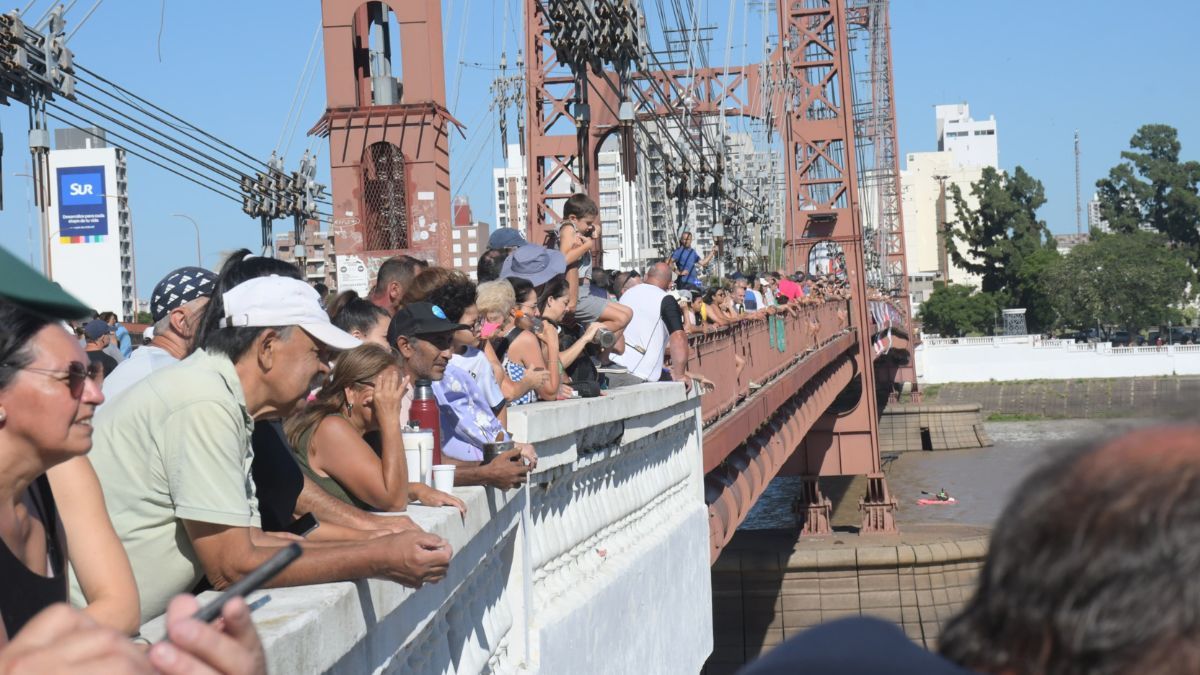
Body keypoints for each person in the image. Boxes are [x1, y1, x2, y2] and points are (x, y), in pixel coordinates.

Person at [85, 274, 452, 620]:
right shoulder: (204, 401)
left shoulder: (225, 399)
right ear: (267, 347)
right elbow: (231, 567)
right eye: (318, 353)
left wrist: (375, 541)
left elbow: (254, 541)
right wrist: (376, 558)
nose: (326, 369)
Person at [0, 248, 266, 675]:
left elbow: (122, 609)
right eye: (70, 378)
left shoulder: (65, 469)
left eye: (89, 374)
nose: (96, 395)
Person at [285, 344, 464, 512]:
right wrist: (390, 418)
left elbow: (387, 485)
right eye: (384, 389)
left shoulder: (366, 434)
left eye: (397, 390)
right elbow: (394, 501)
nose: (392, 397)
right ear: (351, 392)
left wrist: (416, 488)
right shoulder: (331, 428)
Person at [388, 302, 536, 488]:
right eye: (439, 342)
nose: (448, 354)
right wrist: (485, 473)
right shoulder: (392, 394)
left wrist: (491, 467)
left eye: (448, 342)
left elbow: (435, 460)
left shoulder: (428, 389)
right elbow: (415, 468)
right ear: (406, 346)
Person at [102, 266, 217, 404]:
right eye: (215, 312)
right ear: (181, 320)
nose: (223, 321)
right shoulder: (172, 376)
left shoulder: (142, 366)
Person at [555, 194, 633, 344]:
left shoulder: (575, 228)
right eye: (588, 223)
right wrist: (587, 246)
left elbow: (594, 227)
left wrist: (595, 229)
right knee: (622, 317)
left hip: (584, 291)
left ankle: (593, 343)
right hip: (576, 294)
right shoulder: (568, 229)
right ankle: (588, 343)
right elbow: (563, 259)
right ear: (573, 218)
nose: (589, 226)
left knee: (628, 313)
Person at [611, 262, 689, 388]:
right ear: (670, 285)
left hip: (613, 365)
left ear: (646, 277)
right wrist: (680, 375)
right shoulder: (666, 300)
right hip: (638, 373)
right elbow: (678, 337)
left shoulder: (627, 294)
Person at [498, 276, 563, 404]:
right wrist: (553, 345)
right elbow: (550, 393)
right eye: (533, 307)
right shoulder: (525, 339)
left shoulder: (494, 336)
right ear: (514, 311)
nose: (538, 313)